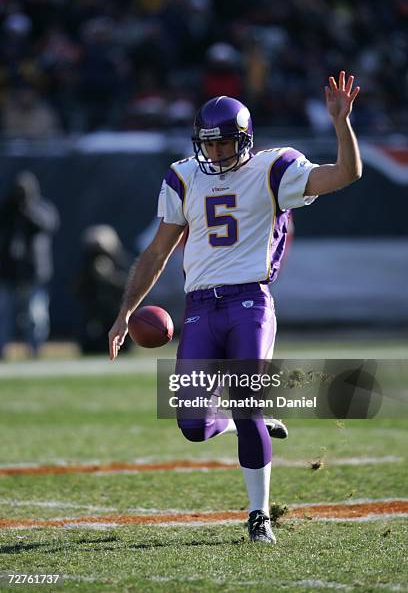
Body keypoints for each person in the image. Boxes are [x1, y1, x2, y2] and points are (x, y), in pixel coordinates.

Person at [109, 71, 362, 543]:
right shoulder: (183, 176)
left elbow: (347, 174)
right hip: (200, 307)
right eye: (209, 144)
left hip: (250, 302)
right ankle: (247, 419)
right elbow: (157, 252)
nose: (217, 153)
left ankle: (258, 515)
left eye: (225, 144)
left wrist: (341, 124)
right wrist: (126, 312)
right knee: (191, 424)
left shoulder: (274, 168)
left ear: (243, 140)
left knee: (246, 404)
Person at [0, 171, 60, 358]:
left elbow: (45, 225)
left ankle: (35, 351)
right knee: (4, 316)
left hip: (33, 273)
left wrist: (26, 208)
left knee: (35, 316)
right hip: (8, 273)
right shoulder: (7, 210)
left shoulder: (41, 208)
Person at [76, 225, 132, 354]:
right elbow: (79, 291)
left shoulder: (121, 262)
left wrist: (110, 278)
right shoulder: (86, 267)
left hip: (116, 313)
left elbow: (130, 288)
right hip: (95, 315)